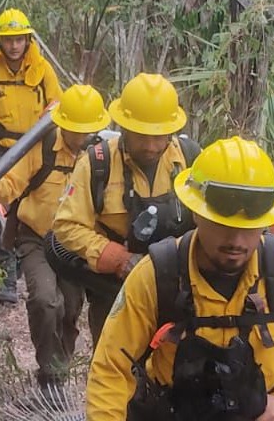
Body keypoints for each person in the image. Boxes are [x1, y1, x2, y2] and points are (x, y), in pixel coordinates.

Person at [85, 137, 274, 421]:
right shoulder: (157, 275)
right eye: (223, 226)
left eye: (249, 229)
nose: (236, 241)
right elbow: (111, 369)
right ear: (196, 213)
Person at [50, 72, 199, 346]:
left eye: (160, 136)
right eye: (143, 136)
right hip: (114, 293)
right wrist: (119, 259)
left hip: (176, 293)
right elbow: (66, 225)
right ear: (125, 127)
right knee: (114, 367)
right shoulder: (98, 164)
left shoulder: (189, 161)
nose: (153, 146)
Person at [0, 84, 111, 392]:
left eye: (86, 131)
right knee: (44, 301)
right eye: (73, 130)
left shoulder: (101, 157)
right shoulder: (42, 146)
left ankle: (58, 368)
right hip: (37, 238)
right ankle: (50, 374)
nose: (79, 137)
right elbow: (11, 184)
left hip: (76, 246)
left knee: (69, 308)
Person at [0, 8, 62, 304]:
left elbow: (58, 104)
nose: (14, 46)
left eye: (19, 40)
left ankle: (26, 257)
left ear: (27, 39)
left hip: (35, 148)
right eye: (8, 40)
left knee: (28, 210)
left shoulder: (43, 69)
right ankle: (7, 274)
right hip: (0, 151)